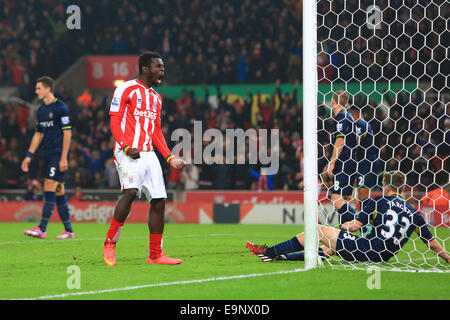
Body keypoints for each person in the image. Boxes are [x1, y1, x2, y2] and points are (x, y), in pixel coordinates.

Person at [247, 171, 450, 264]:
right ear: (403, 189)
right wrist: (448, 258)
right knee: (330, 247)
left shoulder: (378, 200)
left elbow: (355, 226)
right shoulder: (414, 213)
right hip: (383, 254)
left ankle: (270, 251)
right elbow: (431, 244)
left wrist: (346, 225)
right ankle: (284, 257)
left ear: (386, 187)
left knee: (320, 231)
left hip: (369, 251)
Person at [103, 51, 186, 267]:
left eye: (163, 67)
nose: (162, 70)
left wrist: (169, 157)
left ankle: (155, 255)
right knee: (130, 192)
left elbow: (156, 131)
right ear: (145, 68)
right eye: (159, 67)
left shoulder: (156, 98)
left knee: (159, 201)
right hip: (127, 151)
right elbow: (115, 122)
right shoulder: (125, 88)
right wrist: (127, 146)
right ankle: (110, 243)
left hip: (149, 154)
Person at [22, 76, 75, 239]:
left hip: (58, 154)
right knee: (59, 191)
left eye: (38, 88)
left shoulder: (60, 108)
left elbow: (67, 133)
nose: (36, 91)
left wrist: (64, 158)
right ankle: (69, 230)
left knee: (49, 187)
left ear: (47, 89)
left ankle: (42, 228)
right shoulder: (41, 110)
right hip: (47, 154)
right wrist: (28, 156)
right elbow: (38, 134)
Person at [321, 90, 358, 225]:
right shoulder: (349, 116)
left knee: (336, 199)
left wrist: (332, 163)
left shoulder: (341, 117)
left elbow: (340, 141)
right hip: (350, 162)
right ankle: (345, 236)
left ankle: (362, 223)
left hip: (344, 163)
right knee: (342, 200)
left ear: (333, 101)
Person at [348, 105, 380, 204]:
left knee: (363, 193)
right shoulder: (356, 125)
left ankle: (366, 216)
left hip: (367, 162)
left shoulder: (362, 125)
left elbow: (355, 143)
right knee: (356, 190)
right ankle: (361, 213)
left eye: (350, 114)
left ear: (356, 114)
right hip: (360, 162)